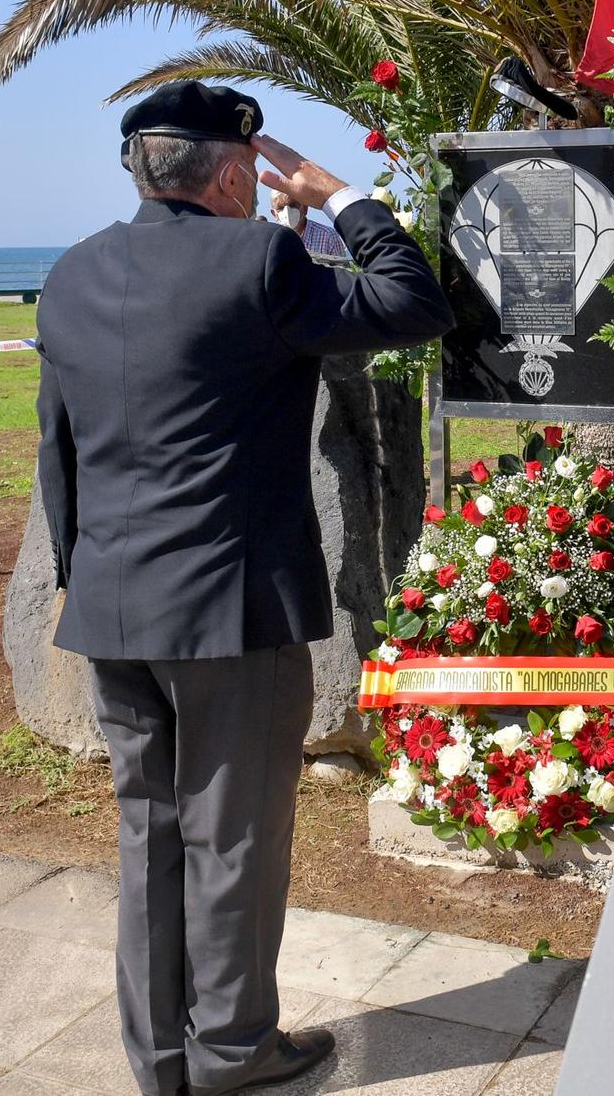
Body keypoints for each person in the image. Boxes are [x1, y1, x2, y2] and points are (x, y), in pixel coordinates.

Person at [34, 81, 452, 1096]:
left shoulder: (72, 271)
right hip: (231, 611)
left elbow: (58, 450)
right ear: (231, 171)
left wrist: (79, 576)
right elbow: (414, 303)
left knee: (150, 836)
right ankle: (231, 1050)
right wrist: (341, 196)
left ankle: (161, 1056)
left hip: (111, 604)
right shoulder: (263, 260)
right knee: (233, 837)